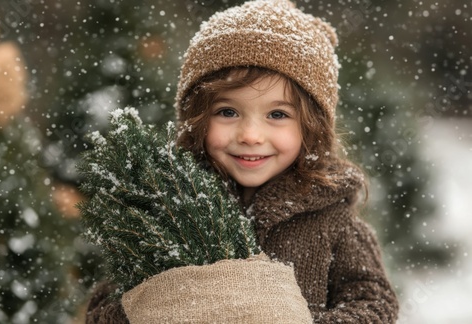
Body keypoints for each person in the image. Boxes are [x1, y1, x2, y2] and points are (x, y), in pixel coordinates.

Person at [86, 0, 399, 322]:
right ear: (196, 119)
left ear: (311, 127)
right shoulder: (168, 208)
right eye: (228, 112)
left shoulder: (332, 220)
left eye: (277, 114)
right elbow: (102, 308)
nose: (250, 134)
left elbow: (374, 305)